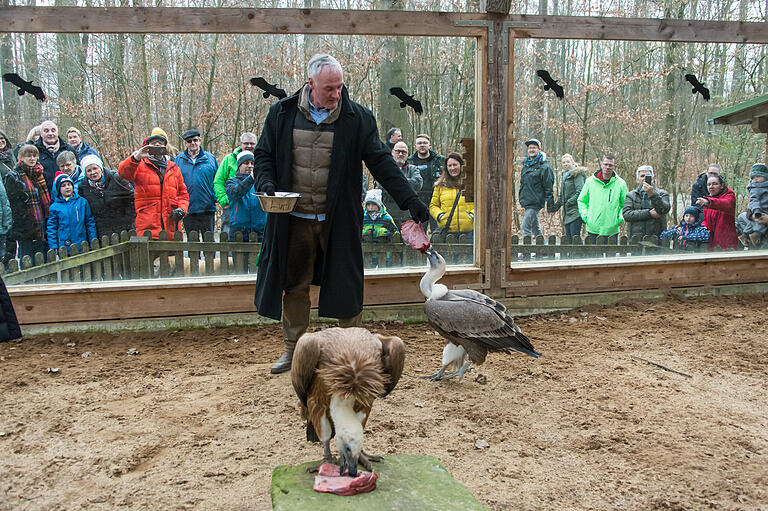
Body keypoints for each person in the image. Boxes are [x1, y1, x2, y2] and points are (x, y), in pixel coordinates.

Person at [252, 53, 429, 374]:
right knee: (294, 285)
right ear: (310, 85)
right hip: (293, 220)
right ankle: (294, 351)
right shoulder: (282, 114)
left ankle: (353, 353)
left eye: (339, 87)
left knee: (347, 287)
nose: (336, 93)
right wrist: (264, 182)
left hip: (340, 222)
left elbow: (381, 162)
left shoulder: (356, 118)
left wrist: (410, 200)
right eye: (329, 88)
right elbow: (263, 154)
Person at [118, 129, 189, 239]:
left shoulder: (174, 168)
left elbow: (183, 194)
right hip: (147, 227)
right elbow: (123, 173)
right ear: (148, 146)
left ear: (165, 147)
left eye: (160, 143)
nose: (157, 144)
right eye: (153, 143)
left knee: (173, 256)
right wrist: (136, 157)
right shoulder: (139, 165)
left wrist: (181, 209)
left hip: (171, 227)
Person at [5, 144, 51, 260]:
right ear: (21, 158)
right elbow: (14, 206)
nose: (32, 159)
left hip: (43, 225)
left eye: (34, 156)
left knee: (44, 261)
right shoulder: (14, 176)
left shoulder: (41, 174)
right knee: (28, 261)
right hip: (26, 228)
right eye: (28, 156)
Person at [77, 154, 136, 239]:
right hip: (102, 231)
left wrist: (128, 220)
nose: (93, 172)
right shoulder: (83, 188)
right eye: (89, 171)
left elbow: (132, 198)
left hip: (125, 226)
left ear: (101, 168)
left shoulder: (116, 178)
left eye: (95, 168)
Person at [173, 129, 219, 236]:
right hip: (188, 209)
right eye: (189, 141)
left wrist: (214, 197)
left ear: (200, 141)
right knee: (192, 243)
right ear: (185, 143)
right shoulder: (178, 160)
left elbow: (217, 180)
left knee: (209, 242)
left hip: (207, 209)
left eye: (195, 140)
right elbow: (174, 184)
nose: (192, 143)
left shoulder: (210, 159)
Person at [213, 132, 258, 236]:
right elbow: (219, 181)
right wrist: (224, 200)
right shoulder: (229, 159)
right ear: (240, 144)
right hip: (233, 203)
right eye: (246, 143)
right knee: (229, 233)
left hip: (253, 210)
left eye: (252, 143)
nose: (249, 146)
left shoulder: (260, 159)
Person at [577, 153, 627, 239]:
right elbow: (581, 201)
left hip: (612, 229)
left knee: (611, 252)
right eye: (605, 164)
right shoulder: (590, 181)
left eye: (610, 165)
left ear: (614, 167)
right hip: (593, 228)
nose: (608, 167)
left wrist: (619, 218)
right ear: (601, 165)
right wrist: (586, 217)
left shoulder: (621, 184)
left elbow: (625, 204)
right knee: (593, 252)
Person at [46, 174, 97, 254]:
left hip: (82, 243)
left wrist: (93, 239)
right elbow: (52, 227)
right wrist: (53, 245)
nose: (67, 187)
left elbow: (90, 222)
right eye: (63, 185)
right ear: (58, 189)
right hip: (64, 246)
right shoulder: (55, 207)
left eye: (69, 184)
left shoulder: (82, 202)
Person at [429, 152, 475, 240]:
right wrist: (440, 215)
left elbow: (480, 203)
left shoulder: (471, 183)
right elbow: (433, 206)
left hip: (469, 232)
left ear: (461, 165)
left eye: (455, 165)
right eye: (449, 166)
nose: (452, 168)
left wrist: (472, 215)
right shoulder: (440, 185)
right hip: (447, 232)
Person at [224, 150, 267, 242]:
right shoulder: (231, 182)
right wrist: (250, 179)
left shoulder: (262, 183)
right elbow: (234, 193)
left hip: (259, 230)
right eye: (246, 163)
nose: (250, 166)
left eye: (252, 163)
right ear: (239, 166)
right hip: (239, 229)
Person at [377, 141, 422, 227]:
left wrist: (393, 182)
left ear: (407, 154)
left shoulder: (413, 169)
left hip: (408, 214)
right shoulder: (384, 168)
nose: (401, 154)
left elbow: (417, 184)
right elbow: (381, 187)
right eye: (398, 151)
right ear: (392, 152)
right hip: (388, 214)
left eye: (403, 152)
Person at [621, 165, 671, 240]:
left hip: (657, 237)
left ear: (653, 178)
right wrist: (649, 213)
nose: (644, 178)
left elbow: (664, 210)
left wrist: (652, 195)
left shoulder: (662, 194)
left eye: (647, 176)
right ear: (637, 180)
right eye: (642, 176)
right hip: (636, 238)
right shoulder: (631, 195)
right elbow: (627, 215)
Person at [407, 133, 445, 230]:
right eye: (419, 143)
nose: (422, 145)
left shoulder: (440, 160)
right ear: (415, 146)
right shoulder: (409, 161)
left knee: (437, 231)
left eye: (425, 143)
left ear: (429, 145)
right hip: (417, 201)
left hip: (436, 201)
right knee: (418, 231)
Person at [518, 138, 554, 238]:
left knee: (525, 227)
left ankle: (526, 252)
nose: (531, 150)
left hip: (536, 202)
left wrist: (550, 206)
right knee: (535, 227)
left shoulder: (544, 167)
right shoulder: (526, 165)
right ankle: (543, 251)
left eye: (534, 147)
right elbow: (523, 184)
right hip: (527, 201)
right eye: (530, 148)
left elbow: (549, 187)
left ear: (539, 149)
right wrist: (521, 199)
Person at [34, 120, 78, 194]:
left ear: (57, 132)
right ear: (41, 134)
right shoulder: (35, 151)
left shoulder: (68, 149)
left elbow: (78, 171)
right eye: (46, 131)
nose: (50, 133)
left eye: (53, 130)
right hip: (44, 194)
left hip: (70, 195)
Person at [548, 154, 586, 238]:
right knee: (568, 237)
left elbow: (580, 191)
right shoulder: (565, 176)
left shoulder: (577, 174)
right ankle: (571, 252)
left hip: (576, 211)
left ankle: (579, 252)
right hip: (567, 212)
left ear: (572, 162)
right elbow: (562, 196)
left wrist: (569, 202)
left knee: (575, 236)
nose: (566, 164)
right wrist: (555, 208)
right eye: (563, 162)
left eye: (568, 162)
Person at [696, 174, 737, 251]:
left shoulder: (729, 196)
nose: (711, 187)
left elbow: (725, 204)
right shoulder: (707, 199)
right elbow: (705, 219)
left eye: (715, 184)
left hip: (726, 241)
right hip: (711, 240)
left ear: (722, 185)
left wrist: (708, 202)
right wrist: (703, 228)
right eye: (709, 184)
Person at [735, 164, 768, 248]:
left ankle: (753, 236)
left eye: (758, 177)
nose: (756, 180)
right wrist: (753, 214)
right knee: (743, 218)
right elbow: (753, 201)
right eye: (753, 178)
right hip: (758, 212)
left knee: (759, 226)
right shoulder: (754, 188)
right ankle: (747, 237)